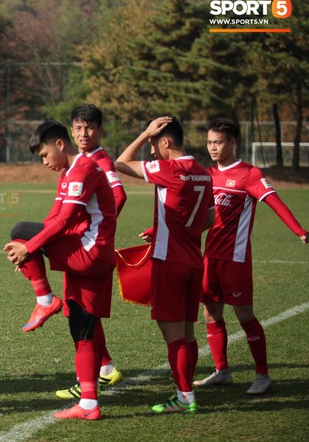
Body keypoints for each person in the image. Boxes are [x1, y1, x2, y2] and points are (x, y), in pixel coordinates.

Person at [5, 120, 117, 420]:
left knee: (20, 229)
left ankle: (44, 300)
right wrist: (29, 253)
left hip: (89, 253)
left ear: (58, 144)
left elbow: (64, 221)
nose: (44, 162)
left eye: (44, 155)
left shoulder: (84, 169)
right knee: (83, 326)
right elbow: (54, 216)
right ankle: (89, 403)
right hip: (94, 256)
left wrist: (29, 246)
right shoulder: (69, 172)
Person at [194, 118, 308, 395]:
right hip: (210, 258)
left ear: (232, 142)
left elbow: (274, 201)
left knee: (244, 315)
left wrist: (300, 231)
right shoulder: (207, 174)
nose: (213, 148)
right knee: (210, 313)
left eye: (218, 142)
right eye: (209, 142)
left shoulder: (249, 174)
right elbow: (191, 210)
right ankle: (222, 371)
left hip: (235, 259)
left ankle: (263, 375)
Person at [115, 116, 214, 415]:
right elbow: (208, 219)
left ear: (166, 141)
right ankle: (185, 389)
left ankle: (184, 397)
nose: (152, 151)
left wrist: (144, 131)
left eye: (154, 144)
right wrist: (174, 228)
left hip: (169, 262)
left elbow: (120, 162)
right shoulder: (203, 173)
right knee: (188, 332)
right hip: (193, 261)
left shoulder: (171, 168)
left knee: (174, 335)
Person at [55, 104, 126, 400]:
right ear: (72, 131)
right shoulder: (82, 160)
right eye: (79, 128)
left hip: (87, 245)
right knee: (79, 308)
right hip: (80, 242)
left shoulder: (99, 160)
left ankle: (93, 376)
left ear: (100, 130)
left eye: (90, 128)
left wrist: (99, 227)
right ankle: (105, 367)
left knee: (81, 310)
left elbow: (119, 195)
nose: (84, 133)